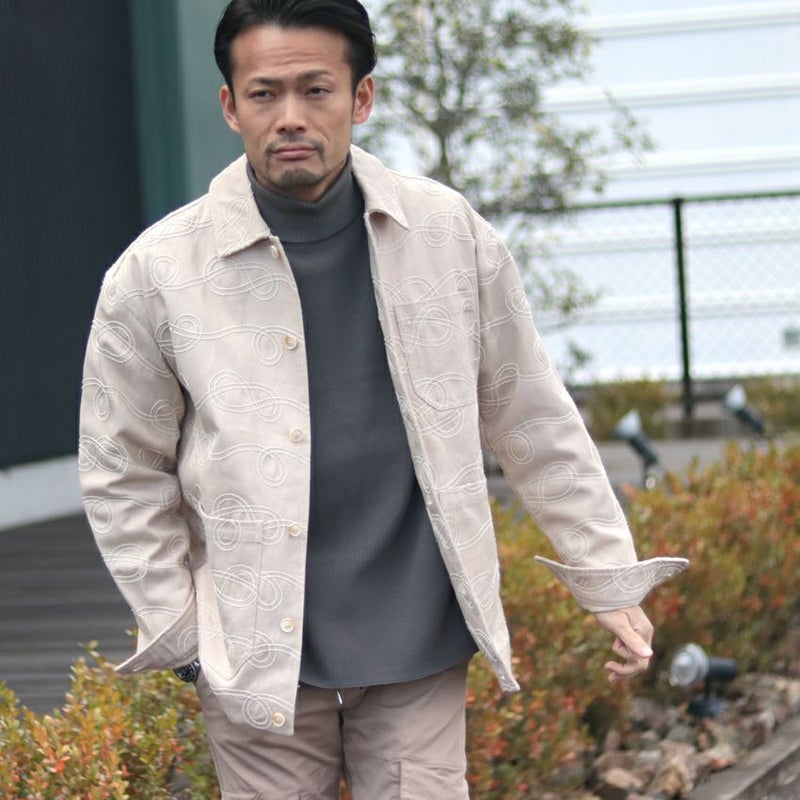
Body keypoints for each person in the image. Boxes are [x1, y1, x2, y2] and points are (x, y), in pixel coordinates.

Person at [78, 0, 687, 796]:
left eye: (315, 90)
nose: (290, 117)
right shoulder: (156, 273)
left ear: (360, 97)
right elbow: (121, 465)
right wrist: (184, 633)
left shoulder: (447, 234)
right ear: (229, 106)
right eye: (264, 93)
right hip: (254, 650)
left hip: (419, 632)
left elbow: (531, 413)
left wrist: (605, 571)